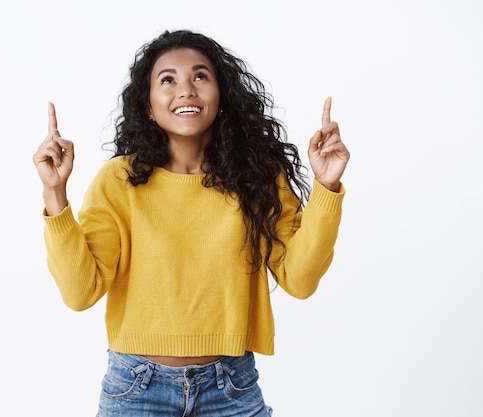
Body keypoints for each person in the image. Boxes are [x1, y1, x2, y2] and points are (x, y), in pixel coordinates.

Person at [33, 29, 349, 417]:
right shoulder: (119, 181)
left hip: (231, 386)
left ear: (221, 97)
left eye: (200, 76)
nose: (186, 90)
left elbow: (299, 281)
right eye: (168, 80)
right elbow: (80, 293)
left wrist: (326, 186)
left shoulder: (257, 176)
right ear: (149, 105)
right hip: (137, 388)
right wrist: (55, 194)